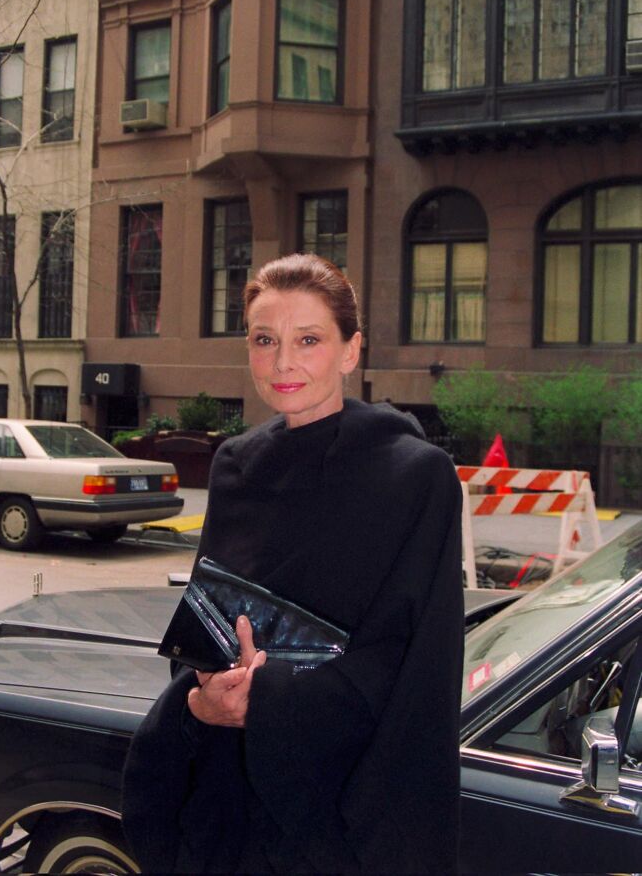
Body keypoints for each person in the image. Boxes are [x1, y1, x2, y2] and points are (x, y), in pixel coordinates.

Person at [121, 253, 464, 874]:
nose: (283, 363)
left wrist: (268, 699)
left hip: (335, 813)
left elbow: (411, 663)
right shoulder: (235, 466)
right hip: (225, 800)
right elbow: (208, 624)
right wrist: (200, 701)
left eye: (308, 340)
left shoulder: (415, 476)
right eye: (265, 340)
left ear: (351, 350)